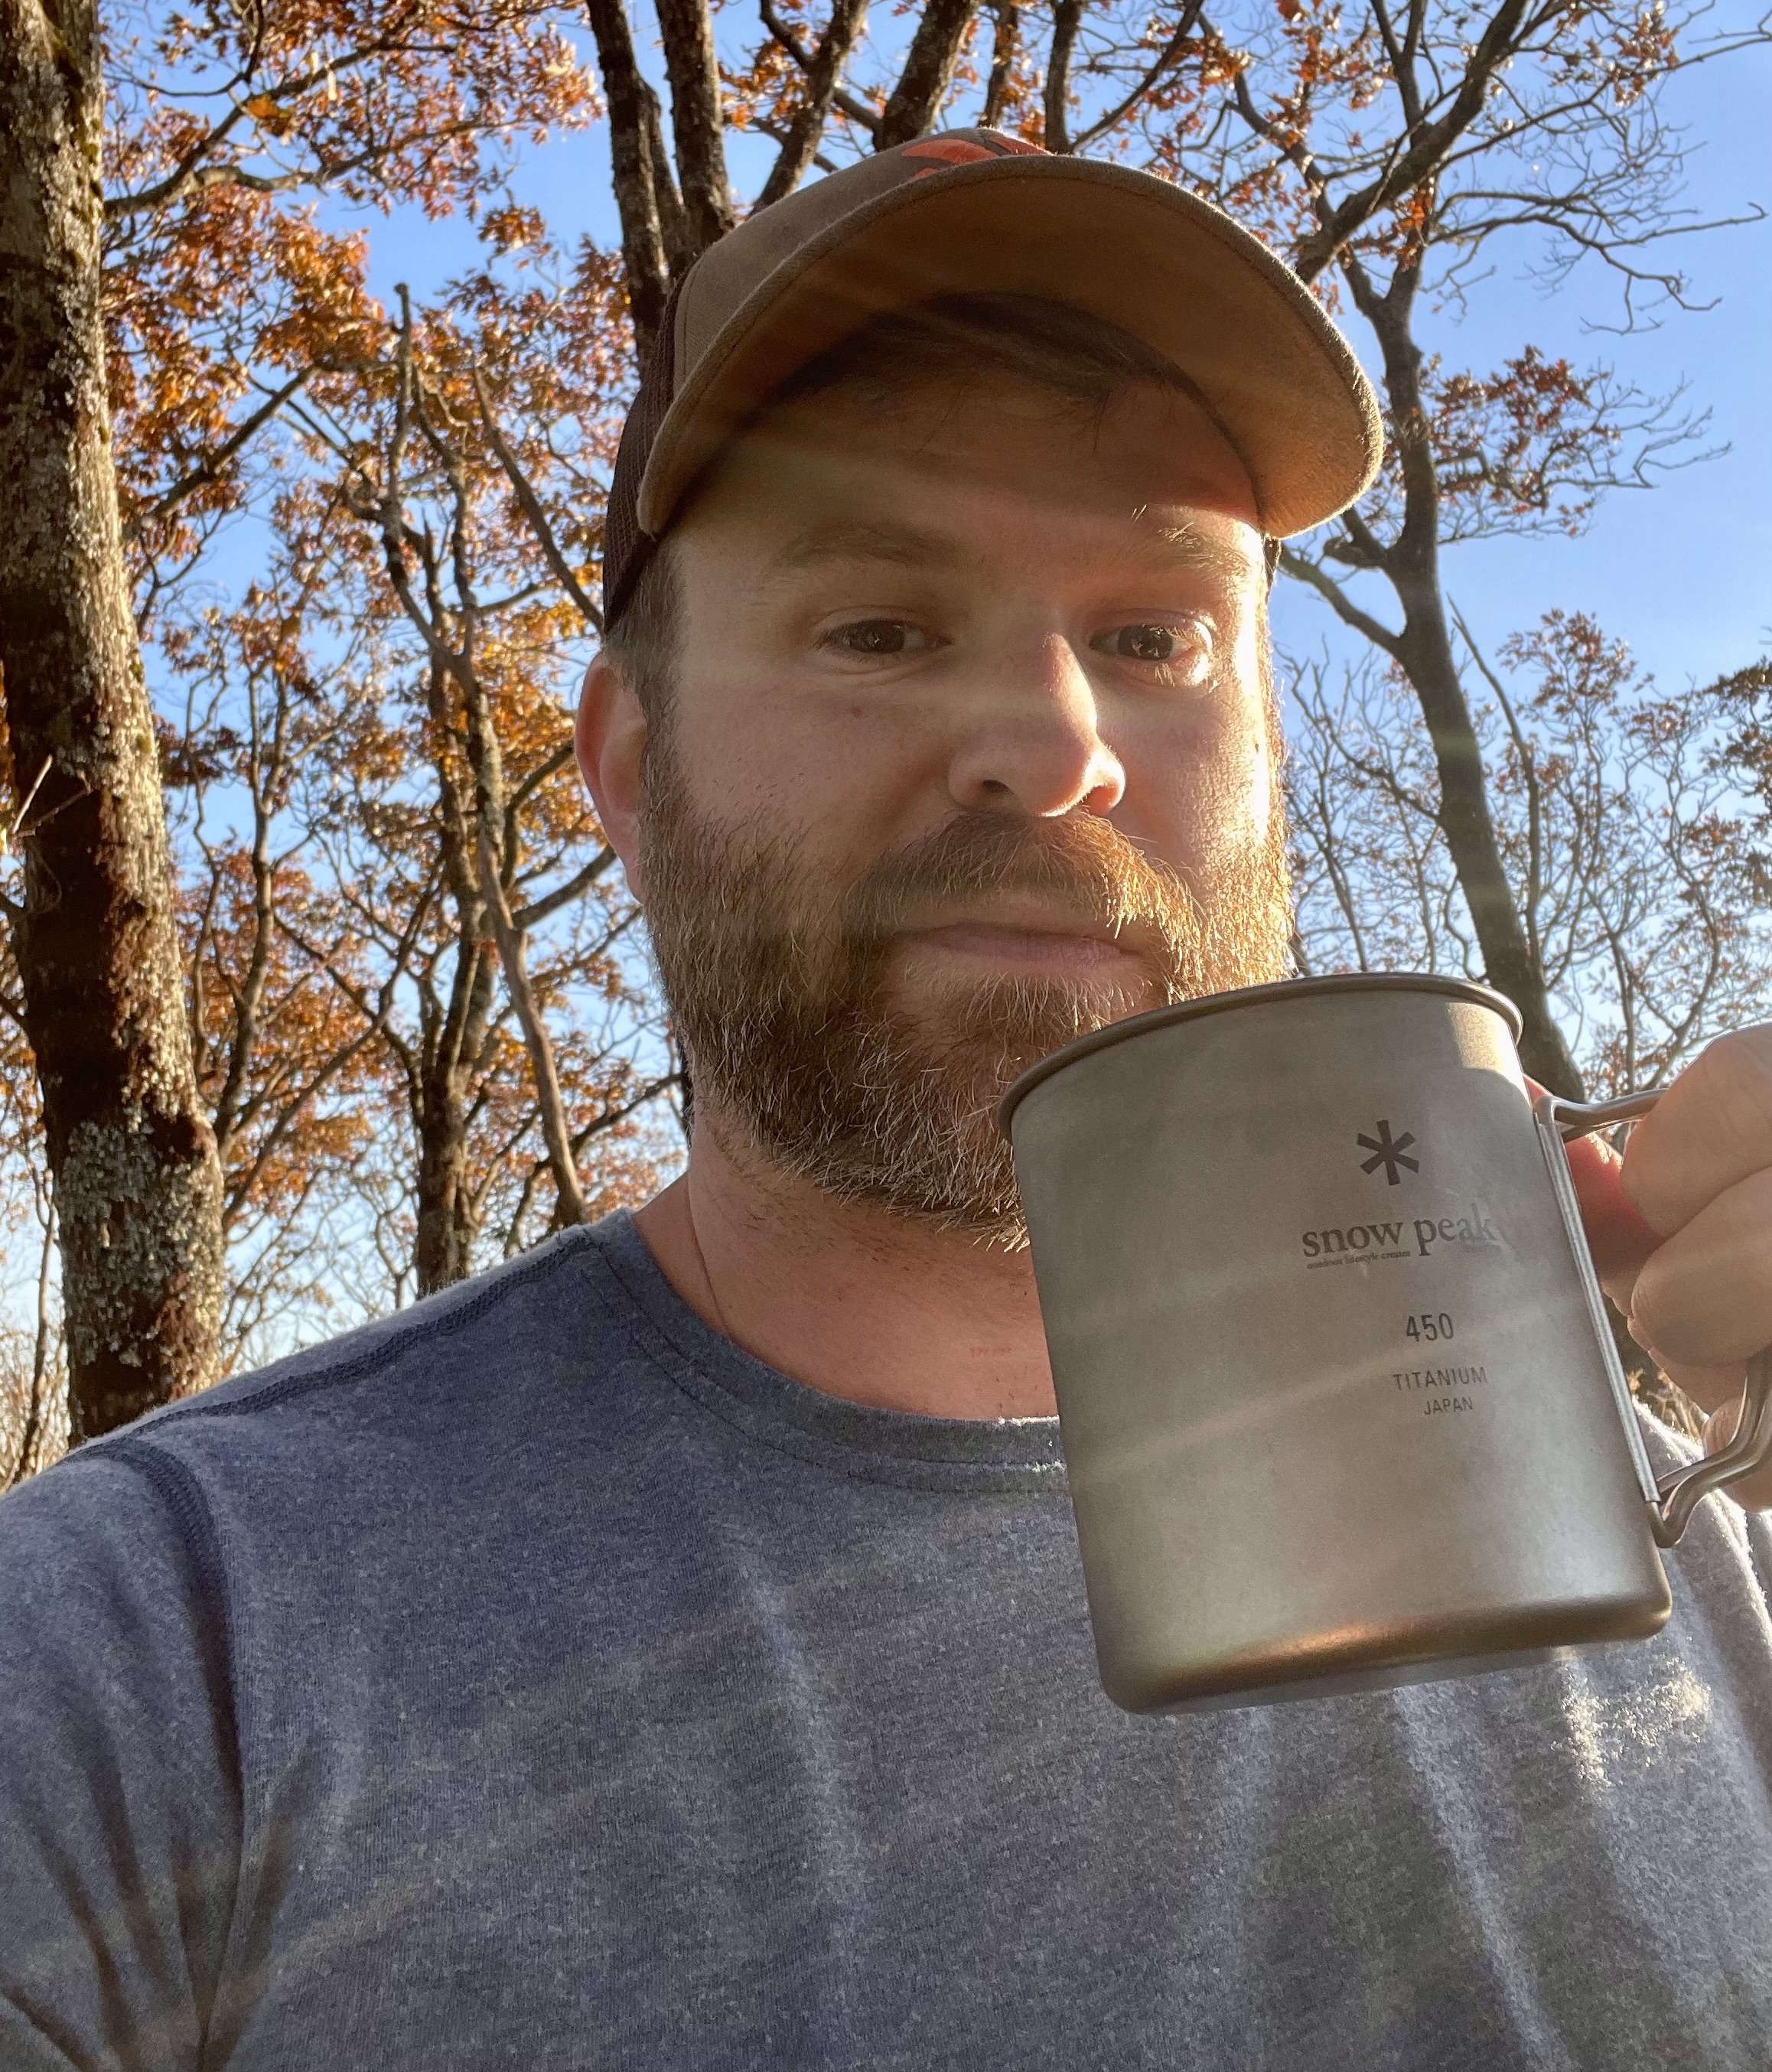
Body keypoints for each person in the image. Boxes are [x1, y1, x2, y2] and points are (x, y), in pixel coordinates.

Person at [3, 129, 1771, 2071]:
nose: (1053, 744)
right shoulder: (150, 1653)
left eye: (1151, 636)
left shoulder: (1687, 1531)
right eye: (877, 626)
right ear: (623, 757)